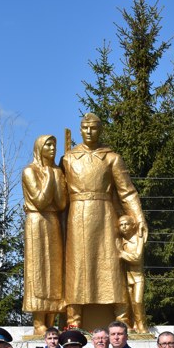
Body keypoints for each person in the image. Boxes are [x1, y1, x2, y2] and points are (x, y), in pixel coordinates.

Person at [60, 112, 147, 328]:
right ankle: (74, 322)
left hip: (105, 217)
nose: (89, 132)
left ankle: (122, 319)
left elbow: (127, 192)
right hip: (76, 217)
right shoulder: (68, 158)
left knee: (111, 265)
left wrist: (138, 216)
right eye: (85, 127)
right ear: (80, 130)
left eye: (94, 128)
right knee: (77, 268)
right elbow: (58, 194)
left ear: (100, 130)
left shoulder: (111, 158)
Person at [22, 134, 67, 335]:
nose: (52, 148)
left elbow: (61, 203)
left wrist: (56, 176)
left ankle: (52, 318)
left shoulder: (56, 171)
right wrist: (50, 177)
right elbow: (40, 200)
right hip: (36, 222)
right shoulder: (30, 171)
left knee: (54, 272)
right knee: (38, 270)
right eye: (48, 144)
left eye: (54, 145)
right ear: (39, 147)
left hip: (53, 222)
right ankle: (39, 320)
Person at [116, 214, 146, 332]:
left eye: (126, 224)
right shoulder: (121, 241)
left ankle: (142, 327)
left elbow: (137, 258)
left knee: (138, 302)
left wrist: (121, 254)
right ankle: (133, 325)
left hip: (138, 277)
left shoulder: (139, 238)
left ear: (133, 225)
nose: (123, 227)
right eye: (121, 225)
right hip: (126, 278)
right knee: (129, 304)